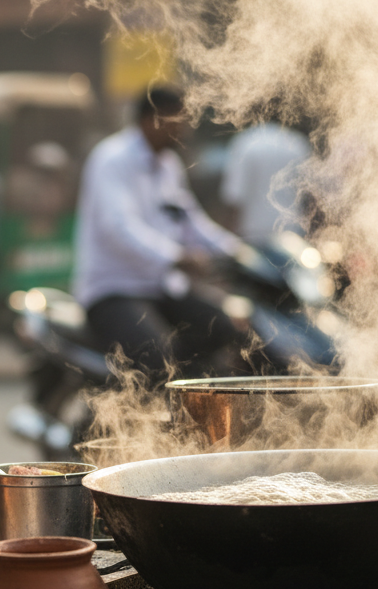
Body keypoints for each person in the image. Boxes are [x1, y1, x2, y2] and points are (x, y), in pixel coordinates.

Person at [72, 86, 246, 378]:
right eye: (178, 119)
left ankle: (185, 407)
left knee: (223, 328)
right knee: (156, 357)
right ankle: (142, 417)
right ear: (150, 119)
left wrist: (240, 252)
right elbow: (119, 227)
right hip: (113, 290)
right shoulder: (111, 159)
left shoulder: (168, 165)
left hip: (160, 286)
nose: (185, 128)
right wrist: (177, 256)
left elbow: (191, 220)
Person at [220, 122, 311, 243]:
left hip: (252, 236)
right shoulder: (297, 143)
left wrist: (229, 239)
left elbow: (234, 197)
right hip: (292, 236)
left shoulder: (246, 143)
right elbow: (309, 196)